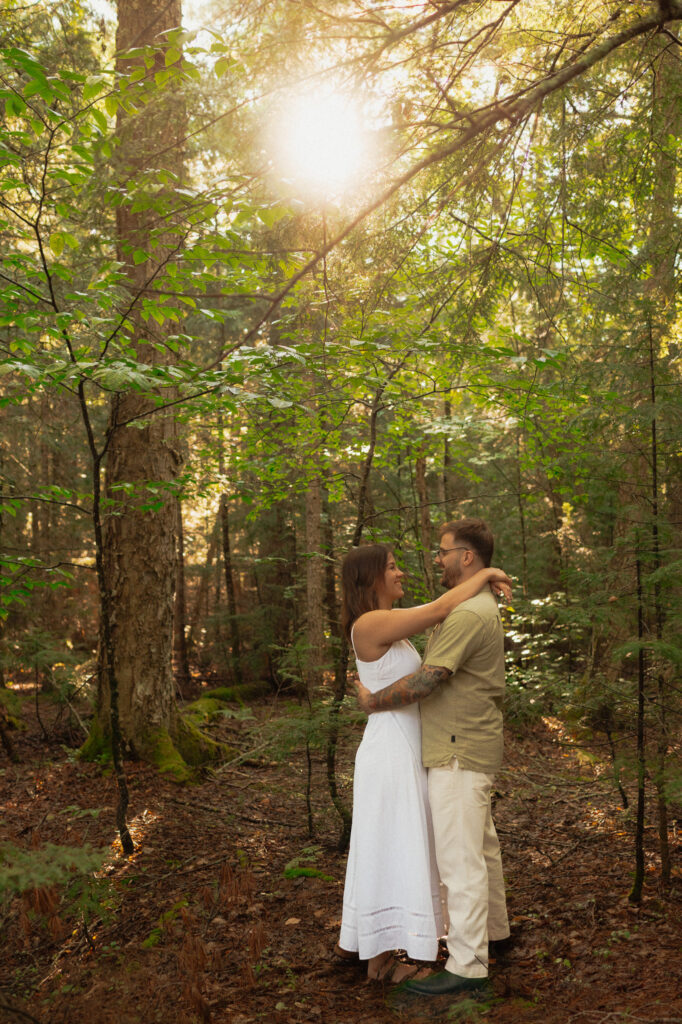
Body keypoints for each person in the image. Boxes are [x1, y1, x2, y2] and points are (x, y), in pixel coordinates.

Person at [337, 541, 512, 983]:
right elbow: (439, 610)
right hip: (391, 750)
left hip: (411, 746)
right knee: (393, 845)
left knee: (404, 845)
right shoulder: (371, 623)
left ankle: (387, 951)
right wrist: (486, 575)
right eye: (392, 568)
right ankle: (383, 951)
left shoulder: (391, 625)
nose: (401, 574)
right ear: (370, 577)